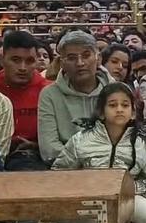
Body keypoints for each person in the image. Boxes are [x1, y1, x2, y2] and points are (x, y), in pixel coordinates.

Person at [52, 82, 146, 223]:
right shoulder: (81, 140)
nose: (119, 109)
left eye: (125, 105)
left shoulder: (141, 143)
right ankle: (116, 222)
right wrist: (85, 187)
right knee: (59, 220)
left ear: (133, 111)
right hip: (91, 201)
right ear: (101, 112)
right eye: (113, 105)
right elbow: (58, 175)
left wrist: (129, 188)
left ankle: (113, 220)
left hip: (128, 200)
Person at [38, 30, 114, 164]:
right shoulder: (49, 94)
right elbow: (49, 150)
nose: (80, 63)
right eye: (72, 58)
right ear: (62, 63)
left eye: (86, 55)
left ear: (98, 59)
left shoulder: (116, 91)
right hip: (65, 172)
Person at [0, 31, 52, 170]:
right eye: (15, 60)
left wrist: (38, 146)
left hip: (37, 159)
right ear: (2, 59)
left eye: (29, 61)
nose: (23, 68)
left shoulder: (49, 91)